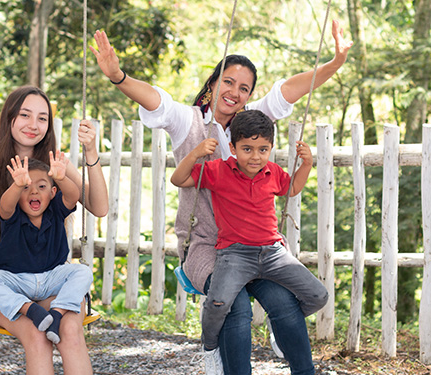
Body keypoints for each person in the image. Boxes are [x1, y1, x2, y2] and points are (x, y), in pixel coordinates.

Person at [91, 19, 352, 375]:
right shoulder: (190, 121)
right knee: (237, 306)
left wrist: (335, 64)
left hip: (254, 244)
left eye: (244, 88)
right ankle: (217, 355)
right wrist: (119, 77)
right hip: (205, 245)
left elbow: (290, 89)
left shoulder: (252, 125)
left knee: (284, 303)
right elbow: (157, 100)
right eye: (228, 82)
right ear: (213, 84)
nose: (235, 92)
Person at [0, 86, 108, 375]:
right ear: (9, 118)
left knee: (70, 331)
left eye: (42, 118)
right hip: (9, 285)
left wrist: (91, 152)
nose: (33, 125)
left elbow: (99, 206)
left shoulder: (55, 166)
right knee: (37, 336)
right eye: (25, 115)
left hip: (53, 281)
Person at [171, 109, 328, 372]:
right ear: (232, 147)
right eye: (247, 149)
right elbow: (179, 179)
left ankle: (277, 328)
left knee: (318, 295)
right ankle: (210, 347)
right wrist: (196, 153)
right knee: (218, 304)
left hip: (273, 253)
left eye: (263, 149)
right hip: (234, 255)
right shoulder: (218, 170)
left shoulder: (273, 171)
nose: (255, 156)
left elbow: (292, 189)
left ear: (271, 148)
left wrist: (307, 165)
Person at [0, 153, 93, 345]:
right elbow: (5, 205)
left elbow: (73, 196)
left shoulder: (56, 210)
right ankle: (29, 309)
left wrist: (61, 177)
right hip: (16, 280)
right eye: (26, 187)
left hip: (50, 277)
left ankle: (57, 313)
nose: (34, 192)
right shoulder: (13, 216)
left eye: (42, 186)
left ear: (53, 192)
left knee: (83, 272)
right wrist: (17, 184)